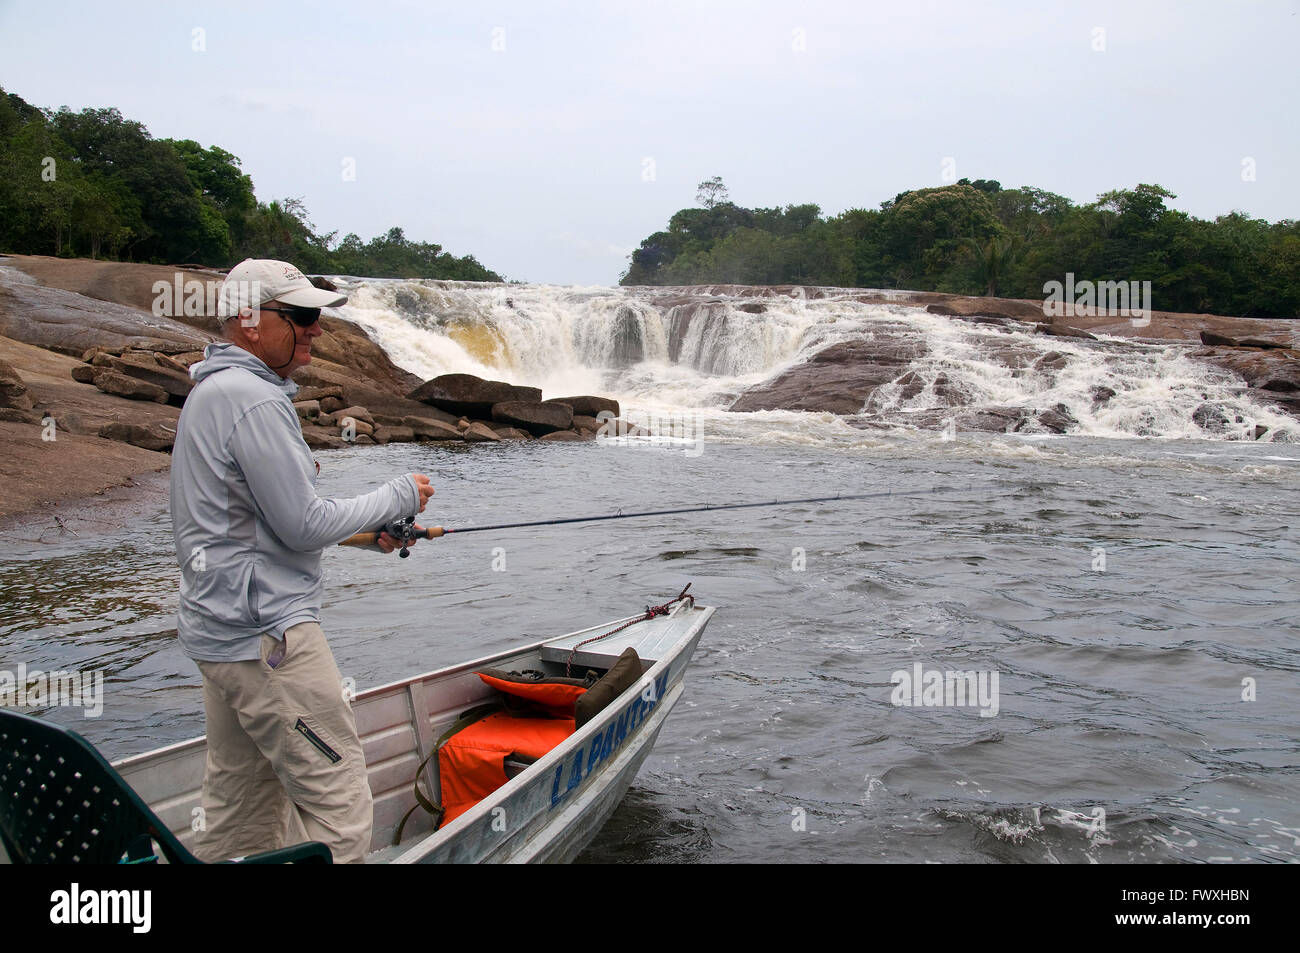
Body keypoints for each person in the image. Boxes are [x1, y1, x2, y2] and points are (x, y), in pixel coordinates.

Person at [170, 258, 435, 864]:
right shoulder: (255, 401)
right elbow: (302, 522)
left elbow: (248, 520)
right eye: (304, 316)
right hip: (271, 640)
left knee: (237, 806)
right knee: (338, 809)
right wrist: (396, 495)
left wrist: (367, 534)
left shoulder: (213, 391)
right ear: (249, 321)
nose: (317, 329)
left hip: (221, 638)